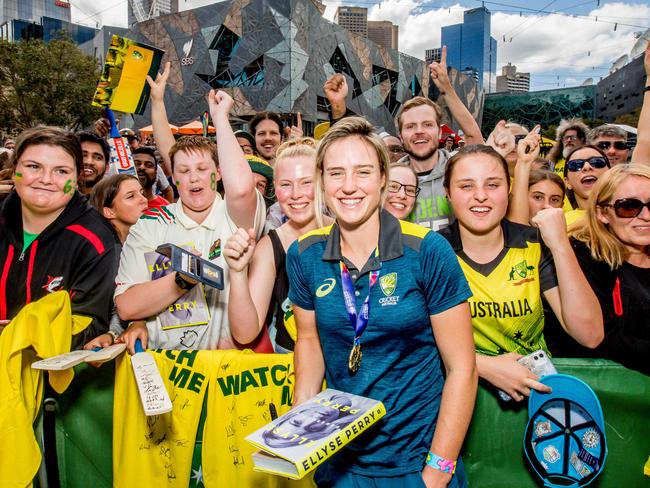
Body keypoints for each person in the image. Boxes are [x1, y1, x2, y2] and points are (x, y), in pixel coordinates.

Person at [287, 117, 477, 487]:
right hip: (338, 463)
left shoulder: (426, 250)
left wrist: (437, 471)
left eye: (362, 172)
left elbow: (462, 368)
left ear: (383, 179)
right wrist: (301, 421)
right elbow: (308, 340)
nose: (349, 187)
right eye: (336, 173)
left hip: (416, 462)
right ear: (322, 183)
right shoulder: (304, 254)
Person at [438, 144, 603, 402]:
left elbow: (590, 334)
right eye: (466, 186)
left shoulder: (534, 245)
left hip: (537, 394)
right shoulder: (432, 252)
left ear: (509, 190)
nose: (480, 195)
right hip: (459, 396)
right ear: (447, 193)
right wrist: (483, 365)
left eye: (493, 185)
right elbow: (415, 341)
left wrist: (560, 245)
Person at [114, 89, 266, 352]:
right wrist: (183, 280)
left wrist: (220, 119)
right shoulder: (152, 224)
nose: (193, 178)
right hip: (163, 364)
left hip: (220, 365)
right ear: (174, 179)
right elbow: (127, 307)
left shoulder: (233, 217)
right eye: (184, 171)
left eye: (202, 169)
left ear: (218, 175)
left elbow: (241, 189)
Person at [0, 126, 119, 346]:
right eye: (33, 166)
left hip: (48, 373)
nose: (45, 179)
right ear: (14, 168)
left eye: (61, 171)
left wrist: (20, 337)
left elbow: (90, 323)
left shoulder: (98, 239)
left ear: (77, 178)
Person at [547, 164, 649, 375]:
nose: (646, 216)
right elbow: (601, 338)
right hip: (604, 393)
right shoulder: (583, 255)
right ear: (602, 213)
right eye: (629, 206)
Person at [224, 138, 323, 353]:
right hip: (290, 362)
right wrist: (238, 273)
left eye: (307, 182)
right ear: (275, 189)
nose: (296, 194)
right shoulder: (269, 246)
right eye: (286, 184)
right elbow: (245, 334)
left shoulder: (347, 232)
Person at [397, 46, 484, 231]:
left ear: (439, 132)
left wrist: (446, 89)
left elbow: (474, 138)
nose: (419, 131)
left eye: (427, 124)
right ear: (401, 136)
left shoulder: (456, 166)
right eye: (410, 126)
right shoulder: (391, 178)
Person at [83, 174, 149, 350]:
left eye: (142, 193)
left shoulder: (143, 244)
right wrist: (112, 333)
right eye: (131, 196)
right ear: (109, 211)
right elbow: (115, 304)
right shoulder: (103, 253)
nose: (144, 200)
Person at [564, 144, 610, 226]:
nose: (587, 166)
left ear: (610, 173)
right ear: (567, 182)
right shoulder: (559, 224)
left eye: (597, 162)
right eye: (575, 165)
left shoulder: (630, 215)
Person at [78, 131, 109, 196]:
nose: (89, 162)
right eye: (83, 155)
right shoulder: (54, 199)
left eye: (98, 158)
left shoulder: (114, 202)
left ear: (107, 167)